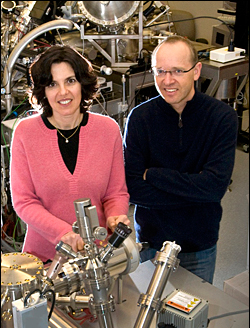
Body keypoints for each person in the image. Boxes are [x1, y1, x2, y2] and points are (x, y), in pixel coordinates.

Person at [123, 35, 238, 284]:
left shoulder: (222, 118)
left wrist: (152, 175)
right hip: (151, 243)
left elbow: (214, 188)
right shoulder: (140, 118)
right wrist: (193, 191)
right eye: (160, 71)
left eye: (177, 71)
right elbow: (132, 188)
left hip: (199, 245)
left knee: (191, 319)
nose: (167, 80)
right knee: (149, 318)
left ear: (196, 71)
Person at [10, 45, 130, 263]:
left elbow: (116, 193)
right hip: (44, 258)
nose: (63, 92)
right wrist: (64, 233)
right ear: (42, 91)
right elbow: (24, 201)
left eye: (70, 81)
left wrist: (114, 217)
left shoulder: (108, 130)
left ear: (83, 84)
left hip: (98, 256)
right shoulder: (25, 133)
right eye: (52, 84)